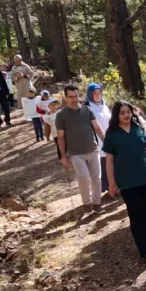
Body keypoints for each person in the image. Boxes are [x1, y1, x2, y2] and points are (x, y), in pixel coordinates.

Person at [102, 101, 146, 260]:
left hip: (144, 178)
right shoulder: (112, 135)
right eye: (122, 113)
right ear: (116, 116)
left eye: (128, 112)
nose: (126, 115)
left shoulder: (138, 129)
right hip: (127, 182)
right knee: (137, 213)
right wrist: (112, 183)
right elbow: (109, 161)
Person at [55, 84, 105, 212]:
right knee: (83, 177)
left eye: (76, 96)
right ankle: (86, 204)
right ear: (65, 98)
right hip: (75, 153)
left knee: (97, 178)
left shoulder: (87, 110)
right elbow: (60, 137)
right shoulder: (61, 115)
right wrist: (63, 155)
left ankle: (97, 203)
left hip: (93, 149)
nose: (74, 99)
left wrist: (107, 142)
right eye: (71, 97)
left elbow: (97, 127)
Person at [87, 83, 112, 195]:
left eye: (99, 92)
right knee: (102, 163)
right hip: (97, 139)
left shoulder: (105, 105)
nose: (97, 95)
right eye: (94, 93)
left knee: (112, 161)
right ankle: (106, 187)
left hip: (110, 137)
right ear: (90, 94)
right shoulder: (87, 107)